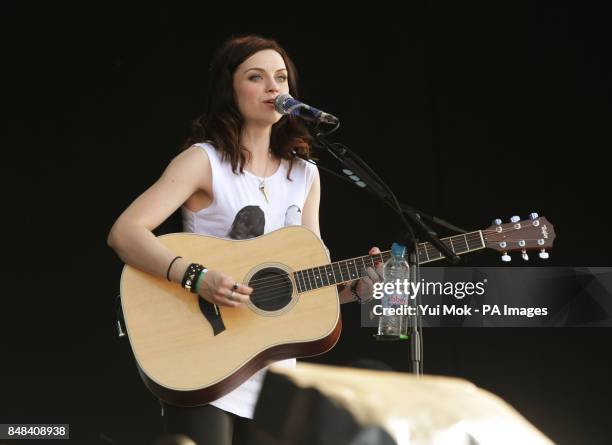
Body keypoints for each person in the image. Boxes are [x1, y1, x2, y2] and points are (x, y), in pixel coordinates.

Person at [107, 34, 384, 445]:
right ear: (229, 89)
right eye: (257, 77)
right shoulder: (204, 161)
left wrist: (358, 290)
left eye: (281, 78)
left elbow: (305, 281)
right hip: (204, 353)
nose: (274, 88)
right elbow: (125, 232)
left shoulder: (305, 175)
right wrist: (196, 277)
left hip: (274, 369)